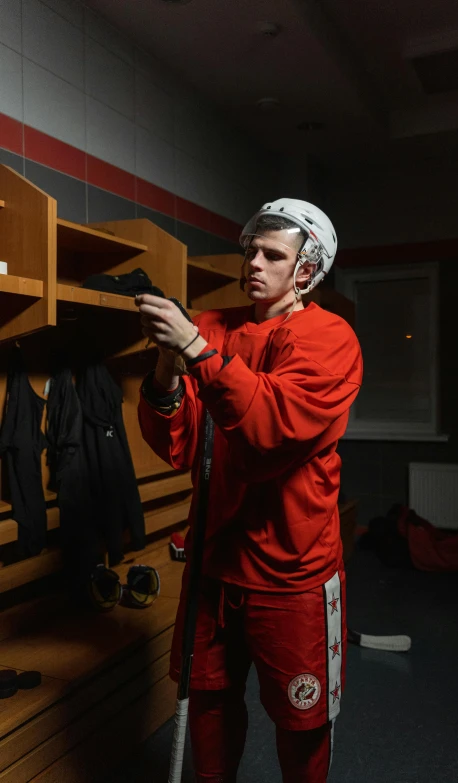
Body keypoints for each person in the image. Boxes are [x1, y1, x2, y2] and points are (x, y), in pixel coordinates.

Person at [136, 198, 362, 782]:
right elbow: (178, 444)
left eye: (272, 255)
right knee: (209, 705)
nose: (253, 264)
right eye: (251, 252)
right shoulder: (211, 328)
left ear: (306, 268)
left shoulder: (329, 338)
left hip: (292, 573)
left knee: (302, 724)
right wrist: (165, 368)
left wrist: (193, 351)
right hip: (215, 563)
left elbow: (268, 430)